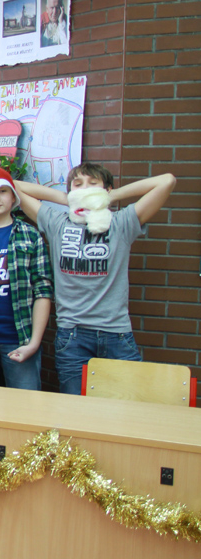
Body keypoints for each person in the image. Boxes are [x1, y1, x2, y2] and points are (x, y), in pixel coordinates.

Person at [15, 164, 175, 395]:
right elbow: (13, 185)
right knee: (75, 409)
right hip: (72, 336)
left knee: (129, 407)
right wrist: (68, 198)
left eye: (93, 184)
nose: (85, 189)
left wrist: (111, 196)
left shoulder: (122, 223)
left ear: (106, 189)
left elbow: (167, 181)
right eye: (78, 184)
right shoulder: (57, 223)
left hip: (117, 333)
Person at [0, 168, 53, 389]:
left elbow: (43, 290)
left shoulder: (30, 235)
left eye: (3, 191)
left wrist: (34, 343)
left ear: (14, 196)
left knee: (25, 405)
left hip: (20, 340)